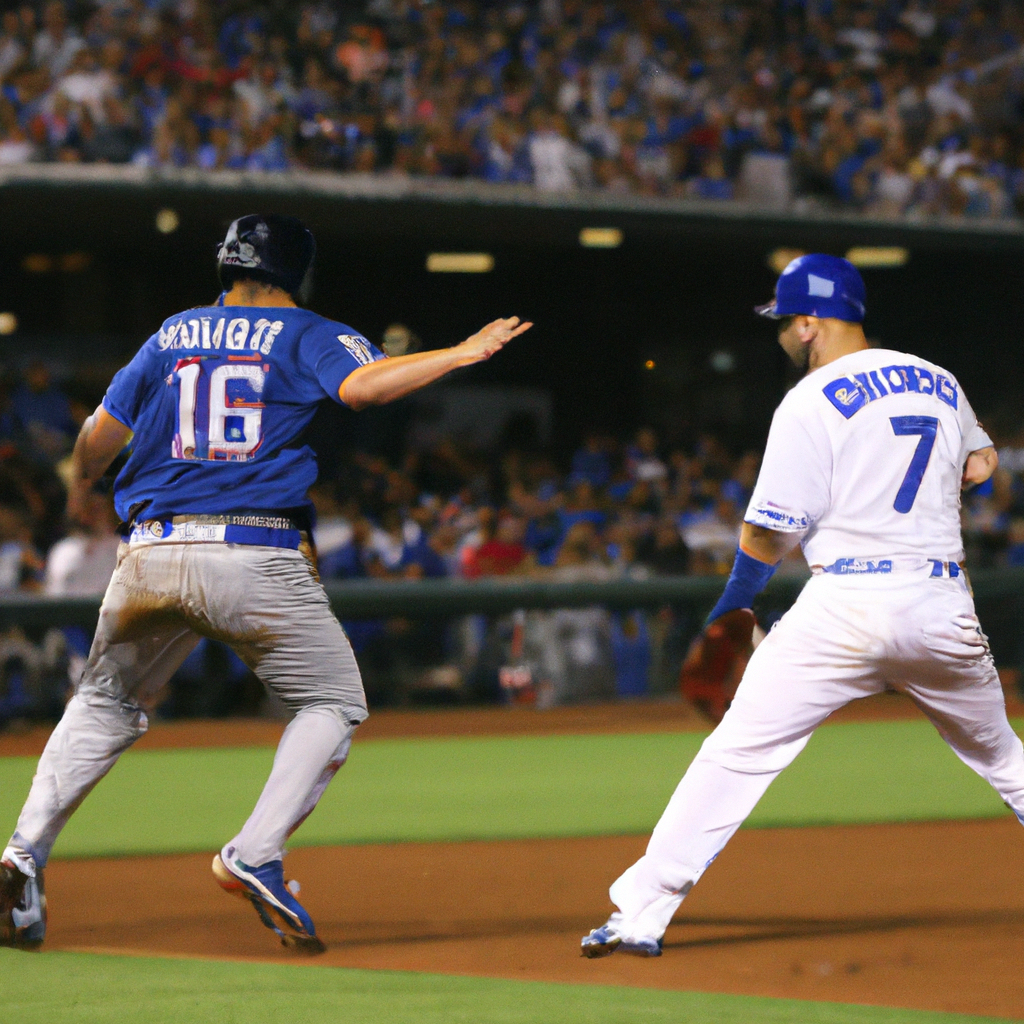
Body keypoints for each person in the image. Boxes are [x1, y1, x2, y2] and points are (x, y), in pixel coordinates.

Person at [0, 214, 531, 953]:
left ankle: (23, 855)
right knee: (333, 701)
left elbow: (96, 440)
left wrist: (86, 481)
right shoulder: (304, 331)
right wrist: (459, 353)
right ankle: (255, 852)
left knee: (103, 701)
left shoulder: (170, 334)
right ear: (297, 272)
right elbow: (364, 388)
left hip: (149, 551)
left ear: (227, 266)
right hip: (251, 549)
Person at [581, 253, 1024, 958]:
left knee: (738, 755)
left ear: (813, 323)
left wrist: (736, 603)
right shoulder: (938, 379)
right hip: (940, 600)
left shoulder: (811, 399)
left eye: (787, 320)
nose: (783, 332)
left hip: (845, 604)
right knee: (1005, 759)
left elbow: (766, 530)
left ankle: (641, 914)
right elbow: (981, 462)